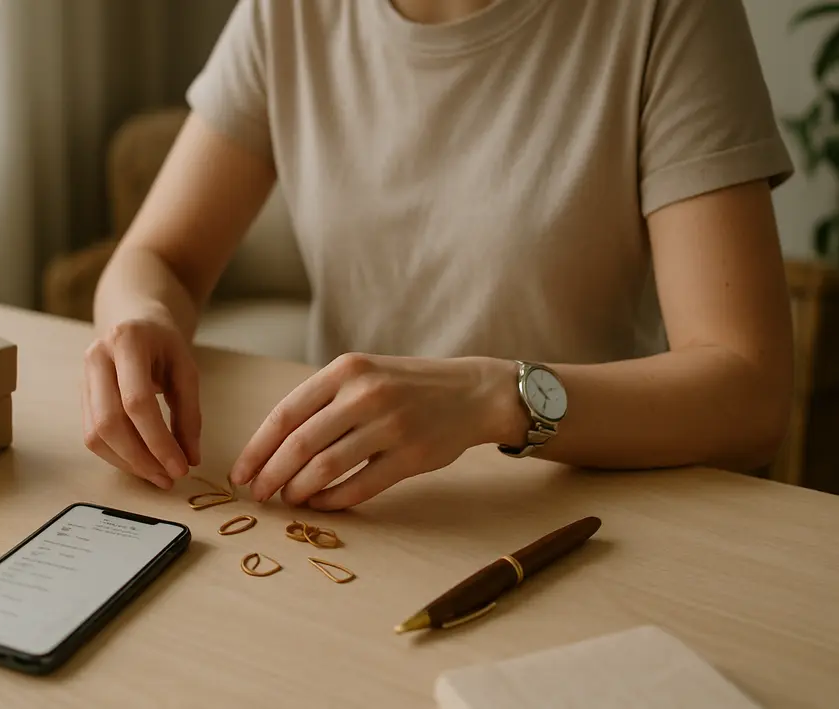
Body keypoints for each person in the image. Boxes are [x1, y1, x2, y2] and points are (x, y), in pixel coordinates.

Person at [83, 0, 795, 511]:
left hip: (578, 512)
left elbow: (749, 391)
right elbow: (159, 257)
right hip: (346, 510)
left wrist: (496, 397)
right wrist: (138, 320)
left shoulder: (666, 14)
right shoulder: (287, 13)